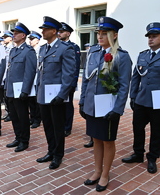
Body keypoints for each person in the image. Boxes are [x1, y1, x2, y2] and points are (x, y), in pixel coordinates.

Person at [79, 16, 132, 192]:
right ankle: (97, 170)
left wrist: (117, 109)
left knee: (108, 140)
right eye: (98, 34)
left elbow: (124, 85)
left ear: (114, 35)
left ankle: (105, 174)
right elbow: (87, 79)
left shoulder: (122, 56)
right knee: (96, 139)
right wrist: (82, 102)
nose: (100, 37)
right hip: (93, 105)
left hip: (109, 107)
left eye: (104, 34)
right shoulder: (93, 52)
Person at [36, 16, 75, 169]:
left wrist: (62, 95)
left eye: (45, 30)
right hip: (44, 94)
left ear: (53, 31)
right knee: (47, 125)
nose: (43, 32)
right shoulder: (43, 48)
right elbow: (41, 72)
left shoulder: (65, 48)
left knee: (57, 127)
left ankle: (58, 155)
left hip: (57, 96)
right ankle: (50, 151)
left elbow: (69, 74)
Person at [122, 22, 160, 174]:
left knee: (157, 131)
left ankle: (152, 157)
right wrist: (133, 96)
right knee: (137, 128)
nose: (150, 39)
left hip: (158, 102)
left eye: (154, 36)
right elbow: (136, 77)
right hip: (141, 100)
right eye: (149, 37)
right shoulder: (142, 55)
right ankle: (138, 154)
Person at [5, 22, 37, 152]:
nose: (14, 35)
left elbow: (30, 72)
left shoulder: (28, 51)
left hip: (21, 90)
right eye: (13, 33)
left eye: (16, 33)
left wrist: (25, 90)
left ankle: (24, 140)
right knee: (14, 115)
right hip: (11, 89)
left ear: (23, 35)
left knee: (22, 116)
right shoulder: (13, 50)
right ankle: (18, 137)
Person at [58, 22, 81, 137]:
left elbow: (75, 67)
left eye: (61, 32)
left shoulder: (73, 47)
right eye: (58, 31)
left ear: (68, 33)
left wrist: (72, 83)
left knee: (67, 105)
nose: (59, 34)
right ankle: (60, 125)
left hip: (68, 82)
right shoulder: (56, 46)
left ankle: (67, 127)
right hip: (57, 82)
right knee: (59, 105)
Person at [28, 31, 42, 129]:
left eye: (32, 39)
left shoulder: (41, 50)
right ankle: (32, 117)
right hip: (30, 78)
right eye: (30, 39)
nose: (30, 41)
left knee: (36, 100)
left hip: (37, 77)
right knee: (30, 100)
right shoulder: (29, 50)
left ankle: (37, 119)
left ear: (37, 40)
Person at [1, 30, 14, 122]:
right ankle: (7, 112)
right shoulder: (4, 48)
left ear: (10, 38)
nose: (4, 39)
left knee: (9, 97)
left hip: (9, 76)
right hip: (4, 75)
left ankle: (11, 113)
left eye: (6, 37)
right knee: (5, 96)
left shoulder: (12, 48)